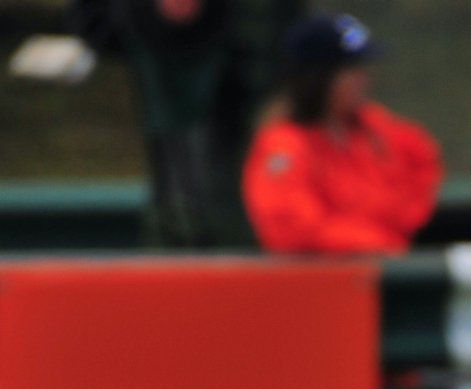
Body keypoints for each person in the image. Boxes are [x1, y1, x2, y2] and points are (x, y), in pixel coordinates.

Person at [70, 0, 302, 247]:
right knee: (184, 206)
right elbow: (93, 21)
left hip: (257, 92)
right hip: (173, 91)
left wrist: (290, 84)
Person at [241, 12, 440, 254]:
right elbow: (291, 228)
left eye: (362, 69)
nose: (364, 80)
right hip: (321, 283)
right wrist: (377, 242)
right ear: (319, 79)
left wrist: (395, 233)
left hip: (382, 271)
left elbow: (422, 162)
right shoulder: (284, 144)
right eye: (351, 71)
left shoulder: (373, 127)